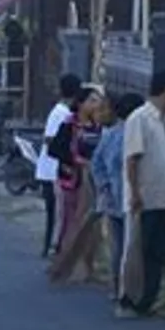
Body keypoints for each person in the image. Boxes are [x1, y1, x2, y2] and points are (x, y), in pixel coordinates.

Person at [119, 69, 165, 319]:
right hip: (145, 197)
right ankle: (130, 297)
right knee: (139, 249)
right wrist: (135, 193)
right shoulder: (140, 118)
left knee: (157, 250)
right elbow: (132, 159)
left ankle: (148, 299)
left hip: (164, 197)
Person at [91, 92, 145, 303]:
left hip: (113, 199)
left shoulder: (111, 135)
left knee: (117, 248)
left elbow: (97, 165)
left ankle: (116, 288)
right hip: (131, 199)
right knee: (131, 248)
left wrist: (104, 188)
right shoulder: (135, 134)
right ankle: (129, 290)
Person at [51, 85, 104, 269]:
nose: (96, 104)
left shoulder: (98, 126)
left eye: (98, 101)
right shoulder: (69, 124)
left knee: (90, 222)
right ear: (81, 103)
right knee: (70, 219)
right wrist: (77, 161)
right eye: (92, 100)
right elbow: (55, 149)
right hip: (72, 179)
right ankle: (64, 259)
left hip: (92, 180)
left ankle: (86, 263)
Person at [36, 74, 82, 258]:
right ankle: (51, 246)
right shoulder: (62, 113)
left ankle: (53, 246)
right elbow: (49, 139)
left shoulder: (64, 112)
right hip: (51, 169)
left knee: (57, 213)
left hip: (52, 168)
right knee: (55, 213)